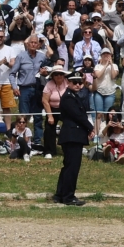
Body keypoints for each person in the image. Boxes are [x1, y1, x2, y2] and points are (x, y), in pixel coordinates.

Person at [52, 71, 94, 206]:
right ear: (68, 83)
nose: (77, 85)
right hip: (72, 136)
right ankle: (68, 196)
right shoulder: (69, 97)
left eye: (80, 83)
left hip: (74, 135)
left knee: (68, 167)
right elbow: (78, 116)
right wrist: (90, 127)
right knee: (72, 167)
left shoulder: (73, 96)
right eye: (74, 82)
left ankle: (60, 194)